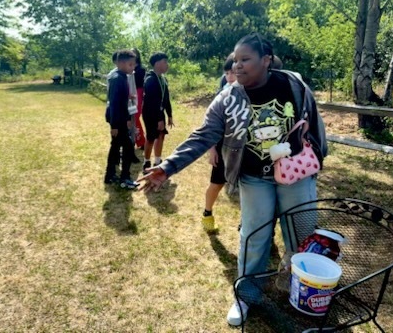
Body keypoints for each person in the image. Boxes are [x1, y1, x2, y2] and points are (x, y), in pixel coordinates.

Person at [138, 33, 327, 326]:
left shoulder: (293, 85)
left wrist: (318, 159)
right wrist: (169, 166)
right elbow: (203, 135)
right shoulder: (228, 97)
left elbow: (315, 124)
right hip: (254, 178)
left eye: (245, 60)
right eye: (235, 60)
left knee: (300, 235)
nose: (237, 66)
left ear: (266, 61)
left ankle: (299, 288)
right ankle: (246, 296)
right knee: (254, 237)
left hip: (296, 173)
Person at [202, 56, 237, 233]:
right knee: (217, 183)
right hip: (224, 148)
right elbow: (210, 126)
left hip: (243, 150)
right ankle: (207, 214)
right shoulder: (222, 95)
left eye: (233, 73)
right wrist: (212, 149)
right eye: (227, 73)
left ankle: (247, 224)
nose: (230, 77)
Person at [104, 49, 140, 190]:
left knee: (117, 147)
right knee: (126, 147)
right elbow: (114, 103)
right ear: (120, 63)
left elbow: (120, 99)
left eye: (133, 65)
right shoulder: (117, 78)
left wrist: (127, 97)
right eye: (130, 65)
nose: (133, 67)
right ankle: (124, 178)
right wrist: (115, 125)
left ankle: (111, 175)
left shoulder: (122, 76)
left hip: (120, 120)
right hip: (117, 121)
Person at [142, 52, 174, 173]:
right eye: (165, 62)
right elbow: (152, 102)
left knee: (161, 135)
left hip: (160, 113)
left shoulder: (163, 79)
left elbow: (166, 99)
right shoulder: (150, 79)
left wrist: (169, 115)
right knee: (151, 137)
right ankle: (146, 163)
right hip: (151, 113)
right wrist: (159, 119)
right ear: (156, 64)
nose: (167, 65)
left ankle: (158, 161)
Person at [132, 48, 147, 150]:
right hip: (129, 93)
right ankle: (133, 140)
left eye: (134, 53)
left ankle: (141, 141)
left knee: (135, 118)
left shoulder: (141, 69)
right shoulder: (127, 67)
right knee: (130, 118)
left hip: (139, 93)